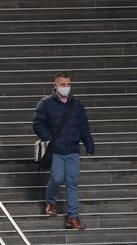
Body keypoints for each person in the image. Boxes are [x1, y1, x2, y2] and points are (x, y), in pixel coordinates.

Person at [32, 72, 95, 230]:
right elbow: (37, 123)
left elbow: (83, 126)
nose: (65, 87)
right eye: (62, 84)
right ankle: (51, 201)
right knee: (57, 178)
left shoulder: (77, 104)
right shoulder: (45, 104)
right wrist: (49, 138)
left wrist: (89, 144)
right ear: (55, 85)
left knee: (72, 182)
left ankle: (73, 217)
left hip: (73, 149)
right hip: (56, 150)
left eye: (68, 84)